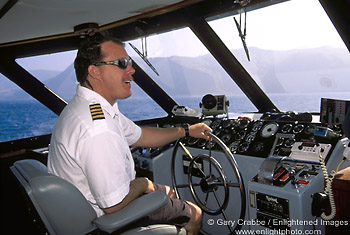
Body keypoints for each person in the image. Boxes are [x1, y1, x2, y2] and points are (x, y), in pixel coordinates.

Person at [47, 32, 212, 235]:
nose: (131, 70)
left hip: (99, 205)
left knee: (171, 191)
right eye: (122, 63)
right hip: (107, 219)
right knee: (195, 213)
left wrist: (186, 131)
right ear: (95, 72)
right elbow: (113, 205)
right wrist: (143, 184)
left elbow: (140, 136)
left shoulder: (91, 107)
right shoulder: (98, 130)